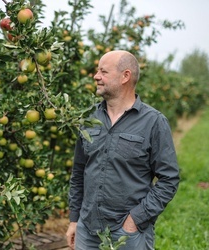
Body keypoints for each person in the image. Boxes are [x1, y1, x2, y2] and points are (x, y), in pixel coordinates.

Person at [66, 50, 180, 250]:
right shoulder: (88, 119)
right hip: (87, 230)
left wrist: (135, 220)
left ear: (125, 76)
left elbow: (169, 179)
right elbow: (78, 172)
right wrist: (74, 220)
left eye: (103, 71)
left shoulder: (153, 122)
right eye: (97, 71)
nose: (96, 76)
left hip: (127, 234)